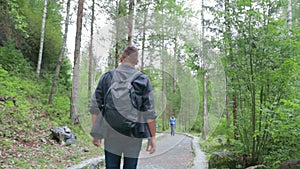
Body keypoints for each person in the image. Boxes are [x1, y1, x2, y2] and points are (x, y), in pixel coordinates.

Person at [90, 46, 157, 169]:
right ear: (136, 62)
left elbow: (95, 106)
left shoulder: (107, 77)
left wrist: (96, 133)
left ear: (121, 59)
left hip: (111, 132)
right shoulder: (143, 80)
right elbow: (149, 112)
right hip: (134, 133)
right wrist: (152, 137)